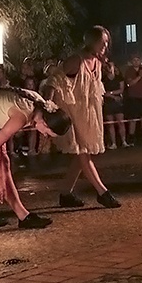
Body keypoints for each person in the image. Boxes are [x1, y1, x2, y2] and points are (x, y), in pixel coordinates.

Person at [0, 87, 71, 229]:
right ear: (45, 122)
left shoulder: (38, 102)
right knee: (0, 165)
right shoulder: (22, 116)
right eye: (47, 132)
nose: (44, 135)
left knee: (3, 163)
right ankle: (20, 216)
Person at [46, 26, 121, 209]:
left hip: (88, 114)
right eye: (102, 42)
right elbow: (53, 81)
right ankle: (102, 192)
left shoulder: (97, 62)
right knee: (82, 153)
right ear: (91, 41)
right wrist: (47, 107)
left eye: (106, 42)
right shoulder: (76, 61)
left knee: (83, 152)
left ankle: (65, 193)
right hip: (73, 113)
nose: (105, 45)